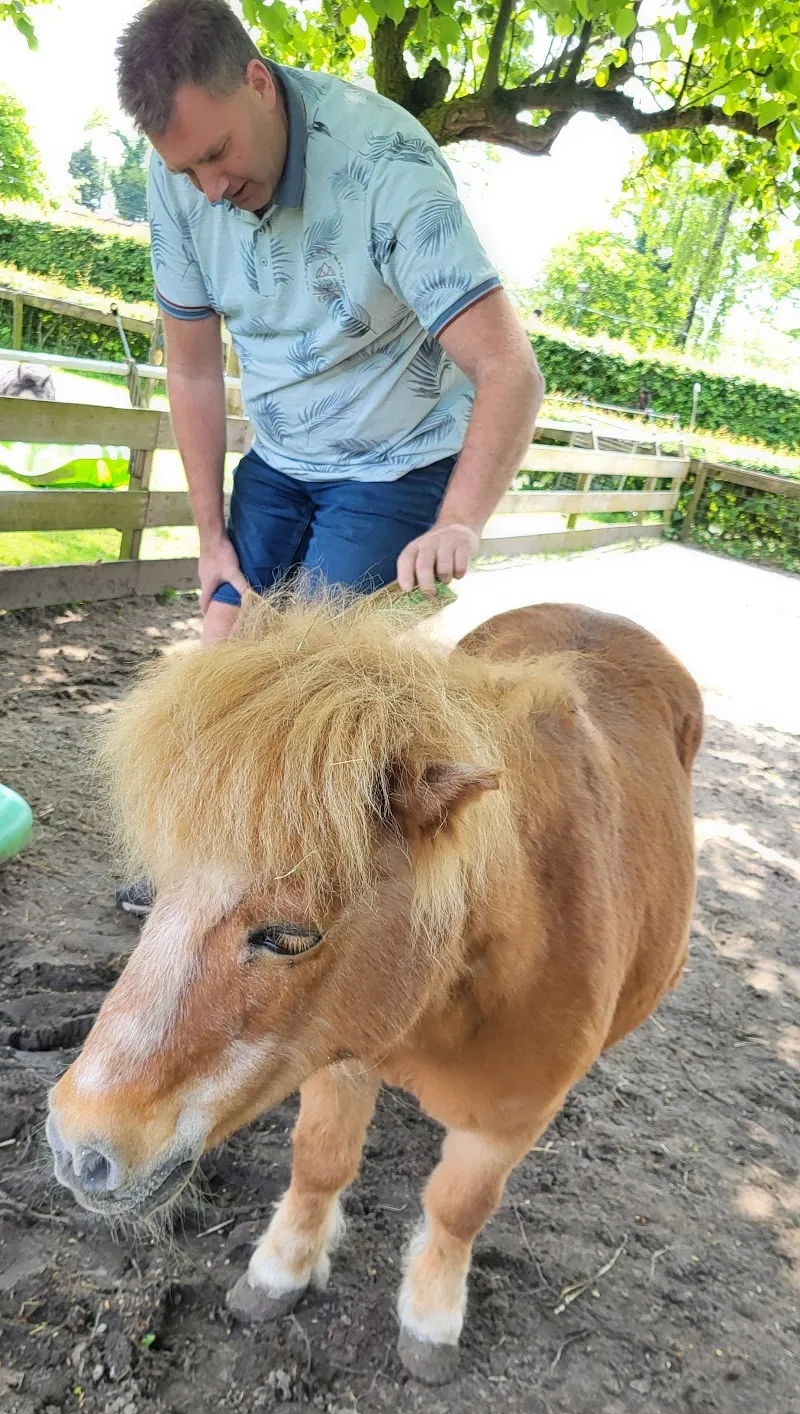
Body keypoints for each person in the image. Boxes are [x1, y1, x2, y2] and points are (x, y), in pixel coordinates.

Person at [113, 0, 544, 915]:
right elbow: (192, 369)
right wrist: (210, 539)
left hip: (398, 459)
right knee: (227, 648)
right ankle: (197, 861)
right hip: (283, 449)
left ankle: (283, 895)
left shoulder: (388, 166)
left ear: (259, 82)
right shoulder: (181, 176)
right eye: (186, 170)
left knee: (310, 687)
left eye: (218, 154)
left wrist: (459, 521)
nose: (208, 191)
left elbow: (510, 370)